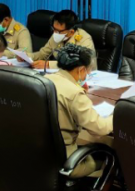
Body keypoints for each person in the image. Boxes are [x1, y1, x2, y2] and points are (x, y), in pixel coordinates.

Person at [45, 44, 113, 179]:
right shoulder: (74, 93)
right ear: (81, 69)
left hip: (41, 154)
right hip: (64, 160)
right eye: (88, 71)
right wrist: (116, 116)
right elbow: (100, 129)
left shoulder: (45, 80)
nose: (87, 74)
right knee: (110, 157)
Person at [31, 9, 96, 72]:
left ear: (71, 32)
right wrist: (27, 57)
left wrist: (48, 64)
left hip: (82, 77)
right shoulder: (56, 34)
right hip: (60, 74)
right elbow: (42, 54)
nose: (55, 33)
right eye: (54, 29)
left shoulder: (84, 39)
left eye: (59, 31)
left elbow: (79, 64)